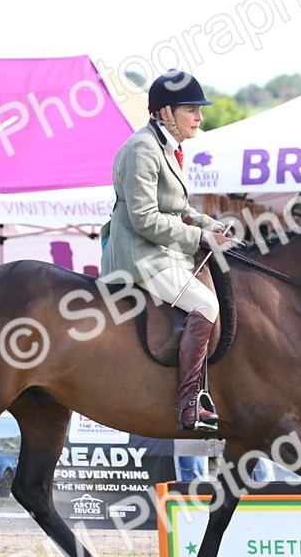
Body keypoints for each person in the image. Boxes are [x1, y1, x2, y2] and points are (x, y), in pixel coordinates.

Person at [99, 69, 233, 432]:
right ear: (164, 113)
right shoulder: (142, 149)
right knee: (206, 304)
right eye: (191, 109)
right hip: (140, 253)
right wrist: (201, 240)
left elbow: (178, 208)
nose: (200, 117)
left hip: (163, 250)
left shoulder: (166, 148)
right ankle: (189, 402)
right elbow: (144, 218)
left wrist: (211, 226)